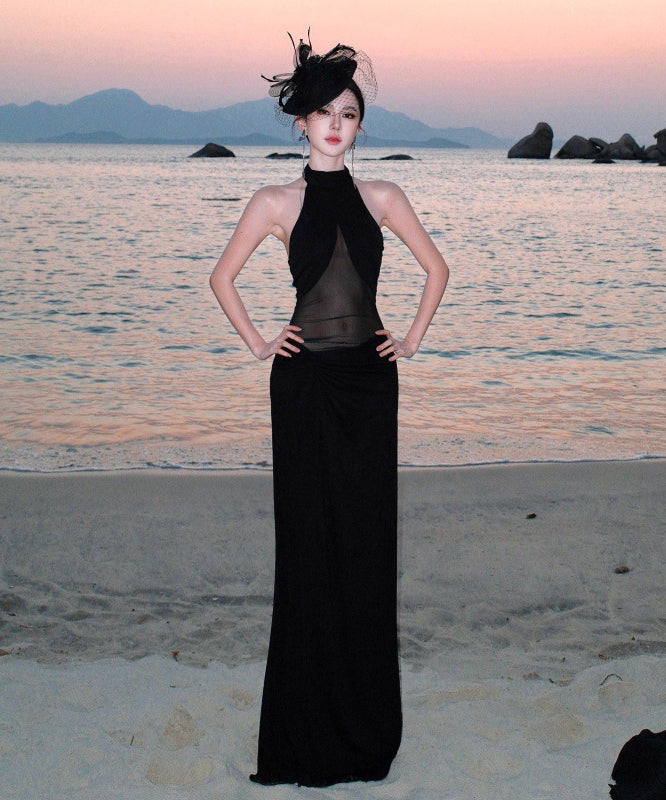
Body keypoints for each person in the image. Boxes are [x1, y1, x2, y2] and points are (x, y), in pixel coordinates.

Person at [209, 33, 449, 787]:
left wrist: (410, 338)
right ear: (302, 123)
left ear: (359, 125)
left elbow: (437, 269)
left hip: (370, 384)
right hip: (304, 384)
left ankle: (362, 730)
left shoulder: (384, 197)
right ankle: (303, 731)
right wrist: (259, 341)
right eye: (324, 114)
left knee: (367, 543)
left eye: (348, 114)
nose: (336, 125)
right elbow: (222, 278)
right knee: (308, 546)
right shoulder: (274, 201)